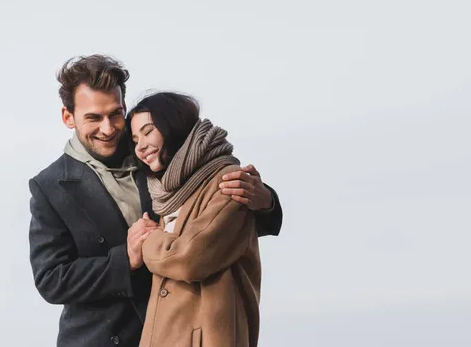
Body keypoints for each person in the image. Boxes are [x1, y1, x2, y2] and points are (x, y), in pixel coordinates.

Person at [28, 54, 283, 347]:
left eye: (115, 114)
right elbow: (51, 279)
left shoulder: (154, 149)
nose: (108, 128)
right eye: (93, 118)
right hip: (99, 339)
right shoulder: (49, 186)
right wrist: (126, 259)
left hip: (177, 330)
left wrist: (265, 202)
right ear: (67, 117)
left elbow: (214, 212)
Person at [128, 92, 263, 347]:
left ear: (174, 125)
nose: (141, 146)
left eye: (148, 132)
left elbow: (190, 259)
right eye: (135, 139)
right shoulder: (167, 191)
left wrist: (146, 240)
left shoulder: (230, 182)